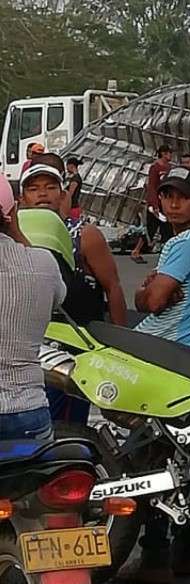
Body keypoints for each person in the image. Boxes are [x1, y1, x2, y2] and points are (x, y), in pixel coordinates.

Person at [117, 166, 190, 583]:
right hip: (187, 357)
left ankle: (155, 556)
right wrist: (152, 288)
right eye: (168, 195)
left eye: (183, 196)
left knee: (146, 459)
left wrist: (147, 290)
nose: (174, 203)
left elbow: (152, 301)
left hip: (164, 357)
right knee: (185, 456)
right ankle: (184, 554)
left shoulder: (185, 243)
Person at [19, 155, 128, 422]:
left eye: (50, 187)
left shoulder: (84, 235)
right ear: (22, 199)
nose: (42, 194)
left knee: (67, 435)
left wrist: (122, 351)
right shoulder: (14, 236)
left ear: (63, 194)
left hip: (72, 357)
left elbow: (113, 288)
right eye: (33, 189)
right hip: (25, 357)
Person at [0, 179, 65, 441]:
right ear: (13, 212)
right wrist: (13, 228)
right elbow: (58, 297)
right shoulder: (43, 263)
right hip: (28, 412)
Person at [131, 145, 173, 264]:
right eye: (169, 153)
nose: (170, 156)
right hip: (155, 204)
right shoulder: (155, 168)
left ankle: (167, 256)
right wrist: (154, 204)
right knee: (151, 229)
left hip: (166, 202)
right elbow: (152, 187)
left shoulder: (169, 167)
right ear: (163, 154)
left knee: (168, 228)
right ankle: (136, 251)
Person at [64, 157, 84, 222]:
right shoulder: (74, 178)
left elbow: (70, 194)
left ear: (71, 166)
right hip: (73, 207)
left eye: (67, 167)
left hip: (72, 208)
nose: (66, 169)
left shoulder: (75, 179)